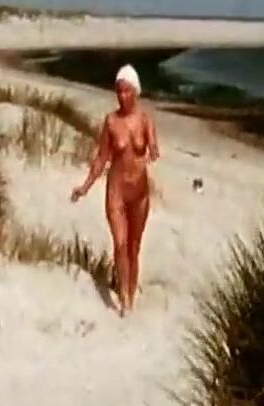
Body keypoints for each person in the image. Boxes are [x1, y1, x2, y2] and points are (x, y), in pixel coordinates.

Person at [70, 64, 160, 317]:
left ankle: (131, 290)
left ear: (136, 92)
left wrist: (152, 152)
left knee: (134, 246)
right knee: (120, 244)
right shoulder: (111, 122)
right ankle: (124, 300)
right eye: (119, 91)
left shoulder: (145, 120)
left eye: (127, 91)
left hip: (140, 193)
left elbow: (154, 147)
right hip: (116, 191)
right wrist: (85, 186)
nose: (122, 96)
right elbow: (101, 158)